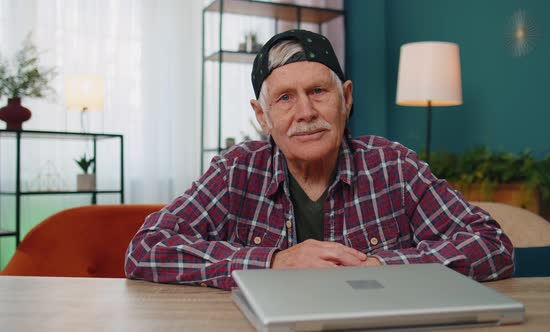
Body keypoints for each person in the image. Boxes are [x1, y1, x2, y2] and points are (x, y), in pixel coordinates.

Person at [125, 29, 514, 290]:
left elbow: (493, 246)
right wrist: (273, 262)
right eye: (284, 98)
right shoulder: (235, 171)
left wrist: (381, 268)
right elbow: (146, 249)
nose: (306, 112)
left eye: (318, 91)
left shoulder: (394, 166)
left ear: (346, 98)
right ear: (263, 117)